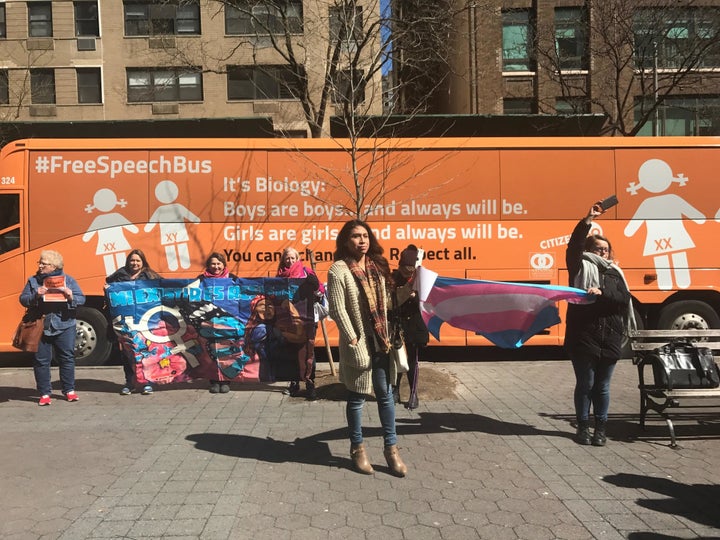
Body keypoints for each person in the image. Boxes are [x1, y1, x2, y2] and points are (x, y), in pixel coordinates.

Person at [327, 219, 407, 477]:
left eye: (365, 235)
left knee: (385, 395)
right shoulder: (338, 270)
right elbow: (338, 310)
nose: (362, 240)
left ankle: (391, 449)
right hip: (359, 342)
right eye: (356, 236)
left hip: (381, 340)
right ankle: (357, 449)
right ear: (345, 241)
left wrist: (408, 292)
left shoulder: (377, 266)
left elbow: (387, 303)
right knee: (357, 397)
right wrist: (352, 339)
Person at [565, 203, 633, 447]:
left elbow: (623, 299)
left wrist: (602, 292)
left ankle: (600, 429)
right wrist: (588, 220)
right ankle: (583, 428)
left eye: (605, 250)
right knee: (586, 384)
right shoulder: (579, 265)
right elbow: (573, 246)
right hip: (584, 335)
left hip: (611, 337)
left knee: (602, 387)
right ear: (589, 249)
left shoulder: (616, 273)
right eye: (597, 248)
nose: (602, 253)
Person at [20, 250, 86, 406]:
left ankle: (69, 390)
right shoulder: (33, 281)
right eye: (40, 263)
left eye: (44, 263)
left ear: (54, 266)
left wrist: (71, 296)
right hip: (41, 324)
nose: (41, 265)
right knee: (41, 360)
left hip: (65, 324)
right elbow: (23, 299)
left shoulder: (68, 280)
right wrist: (35, 295)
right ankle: (44, 393)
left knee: (67, 358)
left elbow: (81, 299)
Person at [106, 249, 161, 395]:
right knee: (127, 353)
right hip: (126, 322)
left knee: (145, 352)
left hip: (145, 321)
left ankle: (147, 382)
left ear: (143, 262)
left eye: (137, 260)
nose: (134, 263)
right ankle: (130, 382)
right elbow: (110, 294)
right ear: (127, 262)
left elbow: (162, 290)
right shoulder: (118, 277)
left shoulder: (151, 276)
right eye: (132, 260)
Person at [276, 247, 323, 400]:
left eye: (292, 258)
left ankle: (310, 383)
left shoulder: (306, 272)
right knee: (291, 352)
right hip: (288, 320)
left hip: (308, 318)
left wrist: (315, 286)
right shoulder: (279, 276)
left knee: (308, 351)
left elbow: (320, 293)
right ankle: (294, 383)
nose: (290, 261)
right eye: (287, 258)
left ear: (298, 258)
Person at [391, 244, 429, 410]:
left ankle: (414, 393)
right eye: (404, 270)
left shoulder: (422, 278)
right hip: (398, 324)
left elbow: (428, 301)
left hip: (415, 324)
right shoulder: (393, 279)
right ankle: (395, 390)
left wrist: (415, 297)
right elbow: (391, 301)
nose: (407, 273)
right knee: (398, 359)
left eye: (410, 270)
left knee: (412, 361)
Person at [199, 252, 238, 394]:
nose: (216, 267)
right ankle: (214, 381)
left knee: (225, 350)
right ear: (209, 265)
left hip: (227, 321)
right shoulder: (201, 280)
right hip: (208, 321)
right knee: (211, 350)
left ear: (223, 265)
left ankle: (226, 380)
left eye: (218, 263)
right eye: (213, 264)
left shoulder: (232, 279)